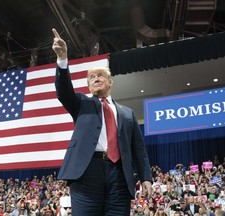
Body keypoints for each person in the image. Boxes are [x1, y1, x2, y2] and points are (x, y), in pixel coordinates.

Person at [52, 28, 152, 216]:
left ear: (110, 82)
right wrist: (63, 59)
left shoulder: (128, 113)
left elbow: (139, 149)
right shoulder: (81, 103)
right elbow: (63, 91)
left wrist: (146, 177)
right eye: (92, 77)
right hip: (87, 172)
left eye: (100, 76)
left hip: (120, 175)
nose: (96, 79)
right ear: (89, 85)